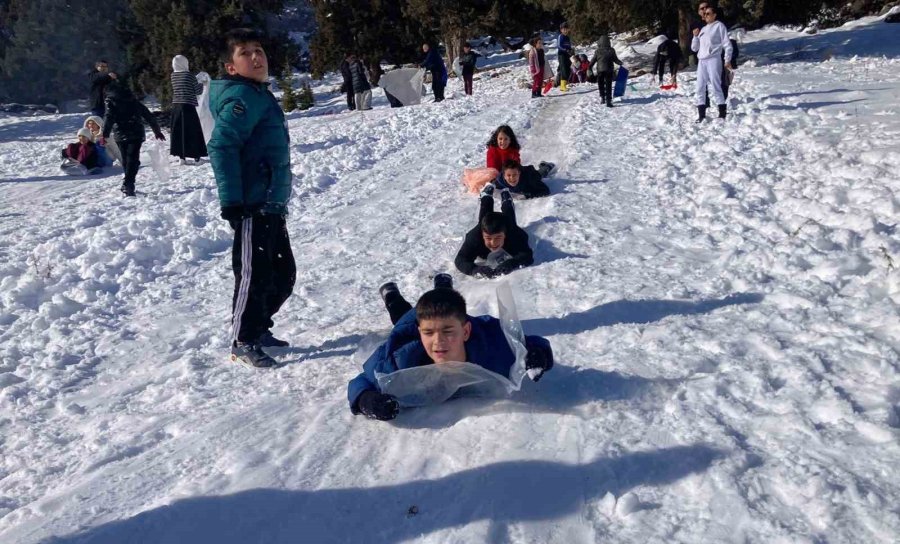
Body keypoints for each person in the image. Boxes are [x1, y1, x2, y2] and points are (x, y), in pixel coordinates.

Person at [207, 28, 296, 368]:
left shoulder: (258, 94)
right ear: (231, 67)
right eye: (245, 53)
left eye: (259, 50)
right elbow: (221, 145)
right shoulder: (241, 99)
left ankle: (258, 327)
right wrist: (232, 201)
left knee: (282, 274)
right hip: (251, 205)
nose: (256, 57)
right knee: (254, 274)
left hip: (271, 202)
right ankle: (243, 339)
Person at [347, 278, 554, 420]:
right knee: (402, 314)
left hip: (456, 319)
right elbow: (361, 382)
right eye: (428, 334)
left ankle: (444, 286)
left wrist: (538, 355)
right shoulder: (400, 360)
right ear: (420, 334)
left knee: (445, 303)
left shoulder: (492, 343)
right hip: (410, 324)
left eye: (448, 332)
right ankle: (391, 295)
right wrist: (367, 401)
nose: (438, 341)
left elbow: (531, 343)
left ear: (465, 332)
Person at [455, 183, 534, 278]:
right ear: (482, 235)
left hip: (507, 224)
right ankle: (486, 195)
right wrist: (475, 269)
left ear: (505, 235)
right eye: (488, 238)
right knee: (484, 216)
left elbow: (527, 255)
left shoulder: (514, 234)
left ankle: (506, 199)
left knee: (509, 216)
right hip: (484, 225)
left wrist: (511, 263)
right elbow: (460, 259)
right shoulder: (474, 237)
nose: (493, 242)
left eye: (498, 237)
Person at [102, 82, 165, 196]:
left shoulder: (110, 101)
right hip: (136, 132)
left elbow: (109, 117)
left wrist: (104, 134)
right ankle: (129, 184)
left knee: (127, 160)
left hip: (120, 133)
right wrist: (157, 131)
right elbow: (148, 115)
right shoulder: (133, 100)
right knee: (132, 158)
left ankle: (128, 184)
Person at [692, 5, 733, 121]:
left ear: (714, 15)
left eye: (708, 13)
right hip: (702, 61)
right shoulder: (703, 29)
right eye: (704, 14)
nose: (705, 15)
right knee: (700, 86)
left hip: (713, 59)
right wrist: (695, 37)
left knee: (716, 85)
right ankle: (701, 115)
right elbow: (694, 48)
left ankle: (722, 112)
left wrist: (727, 59)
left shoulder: (719, 26)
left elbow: (727, 44)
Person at [169, 55, 208, 163]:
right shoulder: (188, 75)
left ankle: (182, 157)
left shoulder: (173, 76)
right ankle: (196, 156)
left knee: (179, 132)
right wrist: (203, 83)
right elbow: (197, 91)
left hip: (176, 106)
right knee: (192, 131)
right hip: (188, 106)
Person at [588, 35, 624, 108]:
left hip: (600, 70)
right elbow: (615, 60)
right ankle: (608, 101)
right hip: (609, 70)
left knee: (600, 84)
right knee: (608, 85)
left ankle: (602, 97)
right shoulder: (611, 50)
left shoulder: (597, 51)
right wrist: (621, 63)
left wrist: (589, 67)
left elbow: (593, 60)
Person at [556, 22, 573, 92]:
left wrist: (571, 51)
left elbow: (569, 46)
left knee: (568, 69)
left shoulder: (567, 37)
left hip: (567, 55)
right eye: (564, 29)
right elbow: (559, 46)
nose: (565, 31)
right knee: (564, 70)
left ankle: (565, 84)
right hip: (561, 55)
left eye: (566, 29)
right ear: (561, 30)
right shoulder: (561, 36)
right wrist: (565, 50)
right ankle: (562, 86)